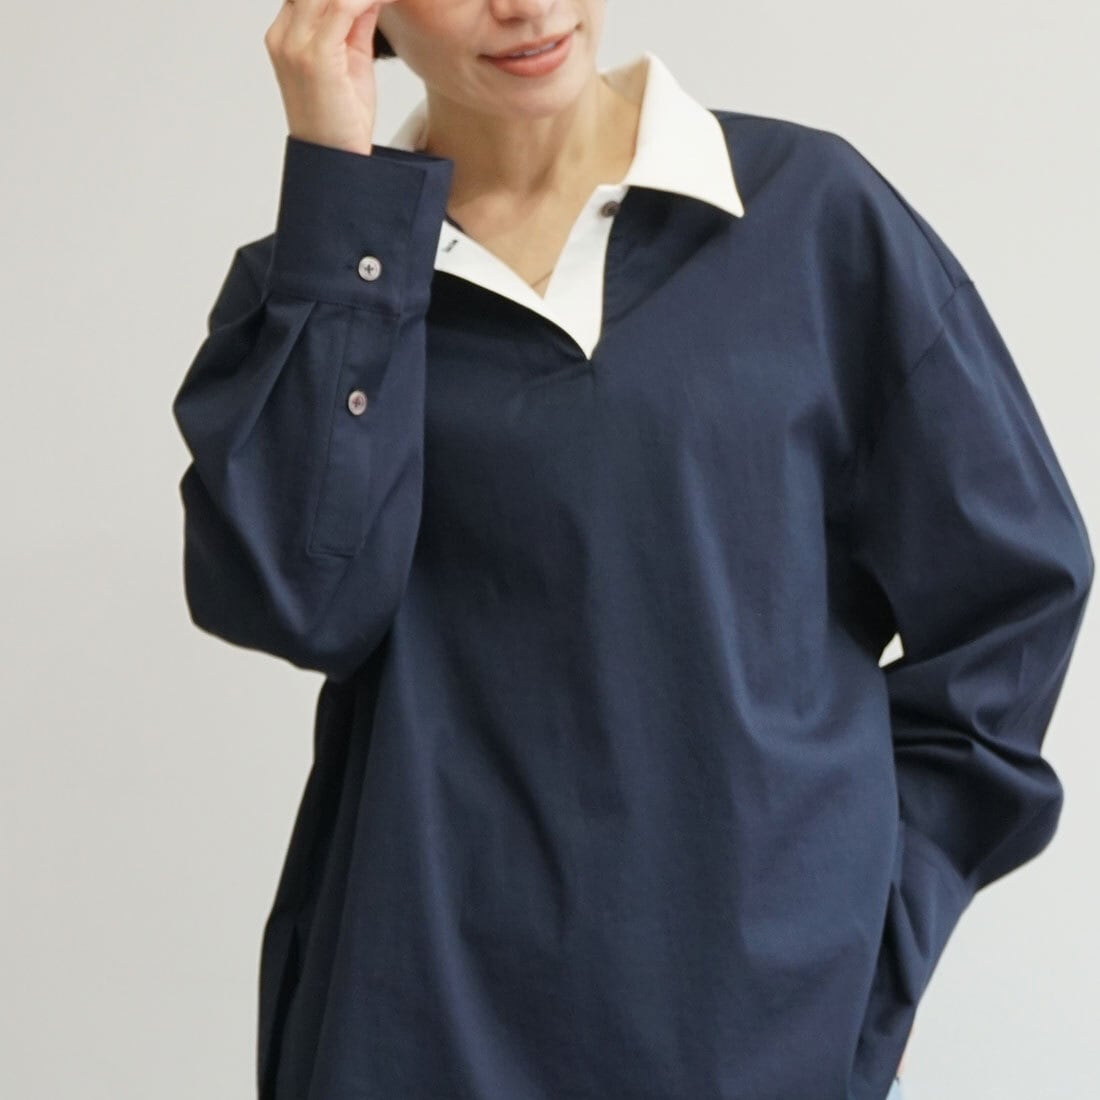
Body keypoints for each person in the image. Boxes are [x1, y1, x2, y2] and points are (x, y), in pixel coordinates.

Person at [170, 3, 1094, 1099]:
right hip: (411, 1023)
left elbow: (1014, 587)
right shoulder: (327, 283)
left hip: (748, 1042)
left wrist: (873, 927)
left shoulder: (807, 214)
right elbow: (299, 602)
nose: (523, 5)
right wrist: (341, 204)